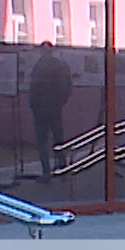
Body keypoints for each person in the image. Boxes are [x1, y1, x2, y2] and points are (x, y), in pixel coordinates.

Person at [25, 41, 72, 182]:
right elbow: (67, 88)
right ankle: (62, 170)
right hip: (54, 109)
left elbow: (34, 89)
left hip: (41, 110)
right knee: (58, 140)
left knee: (42, 142)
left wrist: (34, 105)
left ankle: (46, 173)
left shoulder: (39, 66)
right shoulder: (61, 66)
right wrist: (59, 103)